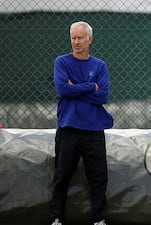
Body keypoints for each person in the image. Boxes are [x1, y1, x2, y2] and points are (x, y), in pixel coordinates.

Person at [50, 21, 114, 225]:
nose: (76, 42)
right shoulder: (62, 62)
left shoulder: (99, 65)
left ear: (90, 39)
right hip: (68, 128)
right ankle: (57, 218)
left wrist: (76, 88)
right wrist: (90, 87)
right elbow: (63, 90)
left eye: (80, 38)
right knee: (62, 176)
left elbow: (103, 96)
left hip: (94, 130)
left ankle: (99, 219)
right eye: (73, 38)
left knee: (98, 177)